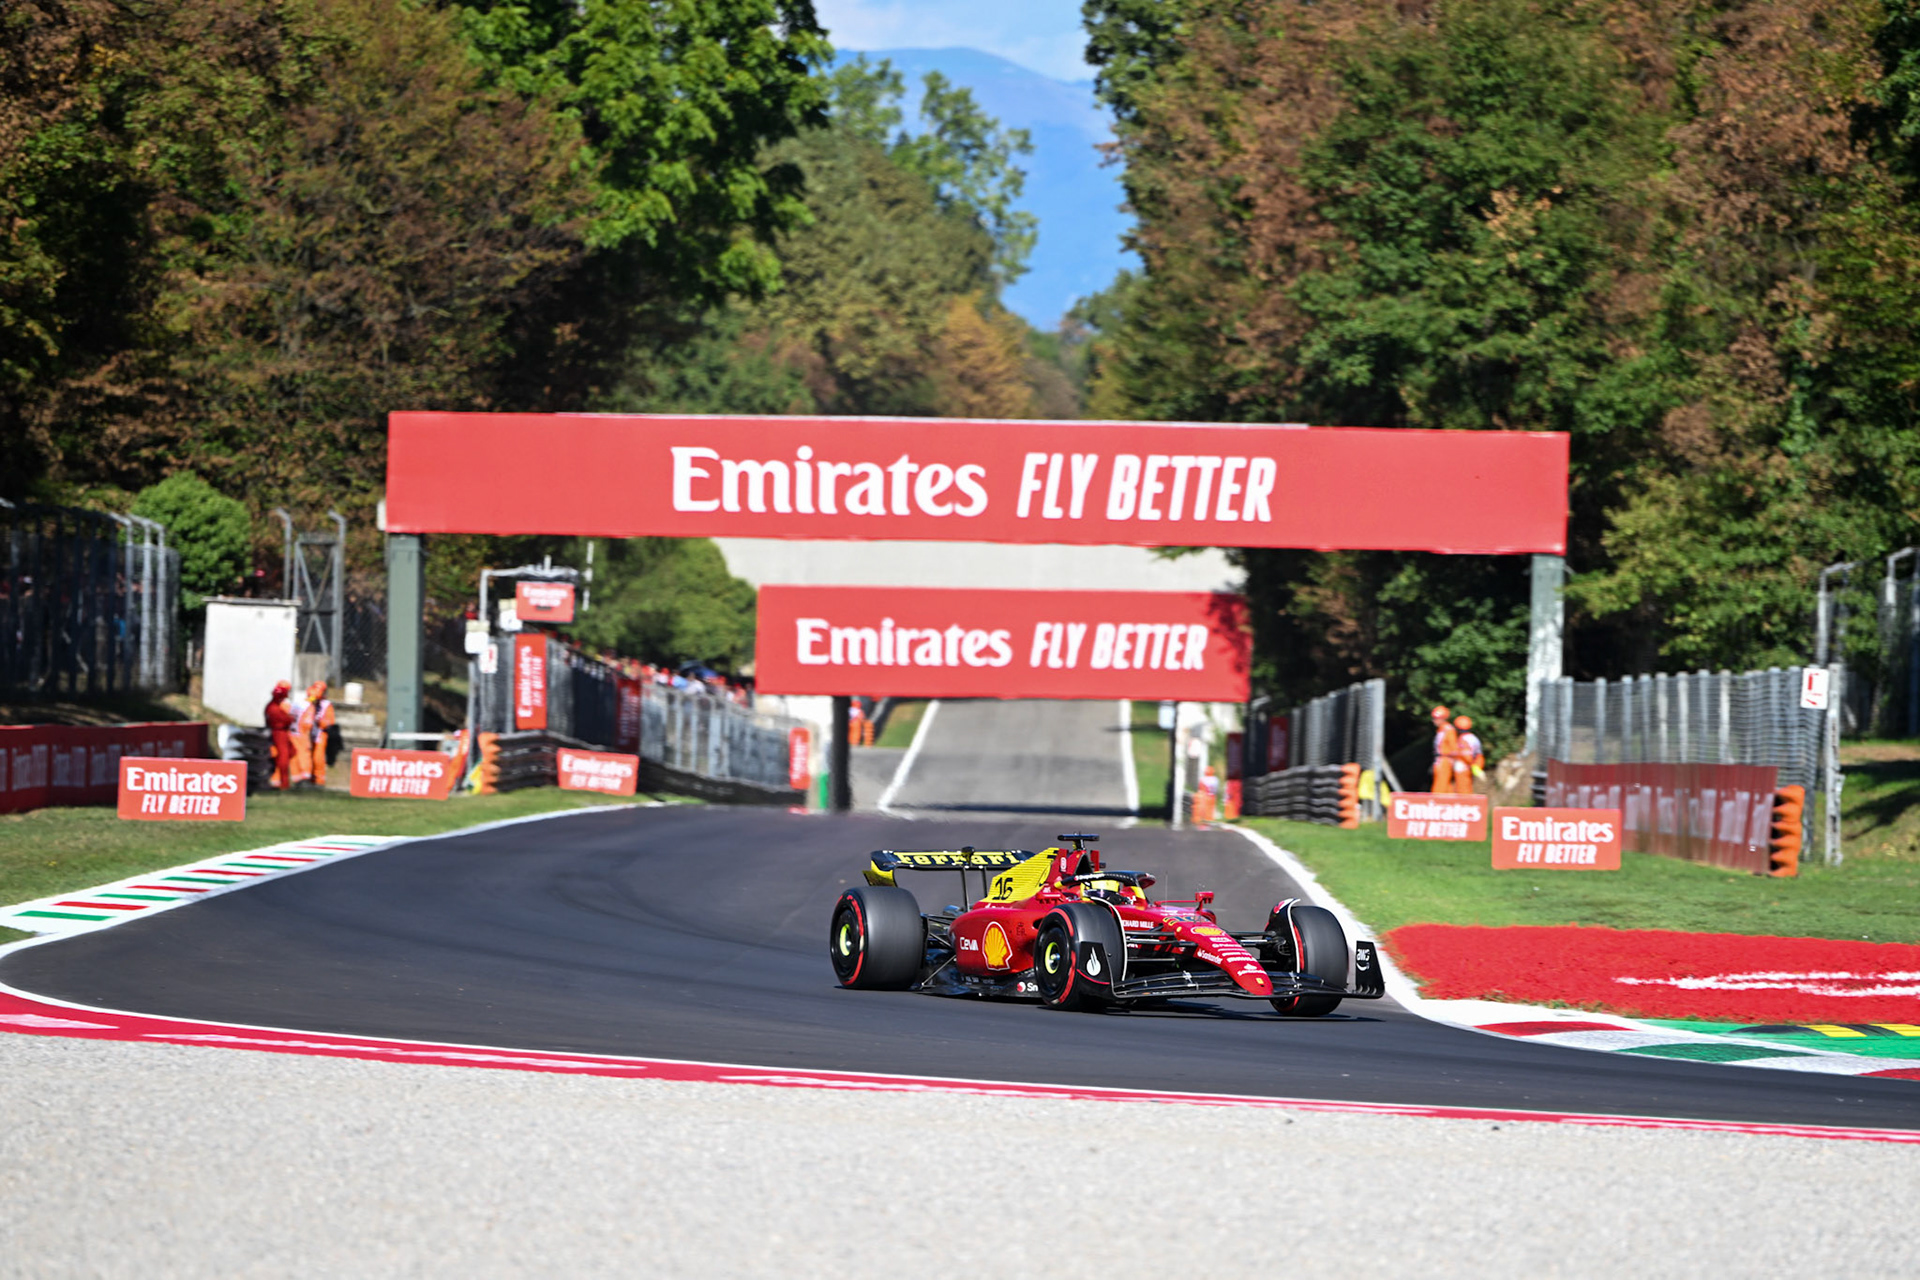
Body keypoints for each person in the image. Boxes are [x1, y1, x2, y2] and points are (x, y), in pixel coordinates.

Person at [297, 680, 337, 787]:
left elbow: (330, 721)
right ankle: (306, 778)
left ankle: (319, 781)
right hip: (307, 733)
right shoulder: (308, 702)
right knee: (305, 756)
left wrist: (320, 722)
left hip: (320, 734)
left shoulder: (327, 705)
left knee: (318, 758)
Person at [264, 680, 296, 791]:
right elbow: (284, 720)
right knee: (283, 757)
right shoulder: (274, 708)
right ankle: (283, 783)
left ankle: (282, 781)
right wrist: (290, 718)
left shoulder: (274, 706)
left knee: (291, 752)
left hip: (281, 732)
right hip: (279, 733)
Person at [1428, 705, 1460, 793]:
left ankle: (1436, 802)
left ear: (1443, 718)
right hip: (1440, 759)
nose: (1434, 720)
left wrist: (1453, 760)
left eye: (1436, 718)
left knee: (1440, 786)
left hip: (1445, 760)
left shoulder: (1448, 730)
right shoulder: (1441, 730)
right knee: (1446, 786)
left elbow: (1454, 748)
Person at [1454, 715, 1485, 790]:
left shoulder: (1462, 739)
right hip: (1471, 766)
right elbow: (1479, 754)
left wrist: (1472, 766)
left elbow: (1466, 756)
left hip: (1463, 768)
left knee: (1463, 791)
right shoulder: (1474, 738)